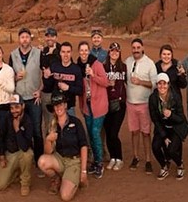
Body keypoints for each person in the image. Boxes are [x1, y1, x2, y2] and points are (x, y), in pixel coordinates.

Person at [37, 92, 89, 202]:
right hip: (60, 159)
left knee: (65, 196)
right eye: (56, 105)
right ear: (53, 108)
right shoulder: (52, 126)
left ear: (65, 105)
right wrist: (48, 140)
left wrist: (84, 171)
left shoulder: (76, 122)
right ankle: (56, 179)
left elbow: (84, 146)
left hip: (73, 162)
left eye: (60, 104)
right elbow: (48, 152)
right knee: (42, 161)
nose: (58, 108)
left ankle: (74, 178)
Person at [9, 27, 44, 166]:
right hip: (19, 99)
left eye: (27, 37)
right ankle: (24, 159)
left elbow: (46, 74)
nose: (25, 39)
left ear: (30, 38)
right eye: (22, 37)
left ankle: (39, 160)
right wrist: (16, 78)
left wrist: (40, 90)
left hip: (34, 98)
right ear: (19, 39)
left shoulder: (38, 53)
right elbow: (8, 77)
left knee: (36, 129)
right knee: (20, 128)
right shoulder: (13, 55)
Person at [76, 41, 109, 179]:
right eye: (81, 50)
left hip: (99, 105)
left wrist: (93, 75)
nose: (83, 53)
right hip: (87, 106)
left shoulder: (96, 64)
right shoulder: (78, 66)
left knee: (95, 133)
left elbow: (106, 82)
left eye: (85, 50)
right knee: (90, 134)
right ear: (78, 52)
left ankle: (99, 163)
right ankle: (95, 162)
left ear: (89, 51)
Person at [124, 38, 158, 174]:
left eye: (138, 47)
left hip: (144, 103)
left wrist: (140, 82)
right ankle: (136, 157)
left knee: (145, 133)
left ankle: (148, 160)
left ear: (142, 48)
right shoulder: (127, 61)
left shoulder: (150, 63)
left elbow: (154, 83)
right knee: (134, 132)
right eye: (134, 48)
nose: (136, 50)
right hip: (130, 103)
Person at [149, 73, 188, 180]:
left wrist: (171, 115)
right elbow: (155, 119)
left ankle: (180, 164)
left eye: (164, 84)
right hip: (162, 128)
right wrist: (164, 136)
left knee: (171, 150)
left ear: (168, 84)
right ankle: (164, 166)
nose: (162, 86)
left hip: (176, 127)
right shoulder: (153, 98)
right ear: (156, 85)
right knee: (155, 146)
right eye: (159, 84)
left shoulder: (175, 97)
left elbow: (181, 118)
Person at [0, 95, 34, 196]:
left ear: (23, 106)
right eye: (11, 108)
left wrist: (17, 130)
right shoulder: (7, 117)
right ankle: (16, 172)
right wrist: (2, 156)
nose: (14, 110)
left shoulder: (28, 121)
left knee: (28, 154)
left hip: (22, 152)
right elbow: (1, 137)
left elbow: (25, 147)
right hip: (10, 153)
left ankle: (25, 183)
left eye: (16, 107)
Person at [103, 42, 127, 171]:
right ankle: (113, 157)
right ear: (109, 52)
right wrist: (107, 83)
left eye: (117, 51)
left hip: (120, 104)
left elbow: (128, 83)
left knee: (114, 132)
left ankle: (119, 158)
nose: (114, 53)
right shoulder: (103, 67)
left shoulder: (123, 67)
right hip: (106, 103)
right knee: (108, 132)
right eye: (112, 50)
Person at [43, 42, 83, 116]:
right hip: (56, 106)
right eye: (63, 52)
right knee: (54, 127)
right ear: (60, 53)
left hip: (69, 107)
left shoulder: (76, 69)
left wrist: (68, 88)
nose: (65, 55)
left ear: (71, 53)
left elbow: (80, 90)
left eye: (68, 52)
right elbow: (48, 86)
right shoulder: (54, 66)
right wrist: (46, 77)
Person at [39, 26, 61, 125]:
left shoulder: (62, 50)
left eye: (52, 36)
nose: (49, 38)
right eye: (47, 36)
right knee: (48, 123)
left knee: (60, 121)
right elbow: (42, 68)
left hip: (58, 92)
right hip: (46, 92)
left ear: (56, 37)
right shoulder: (43, 51)